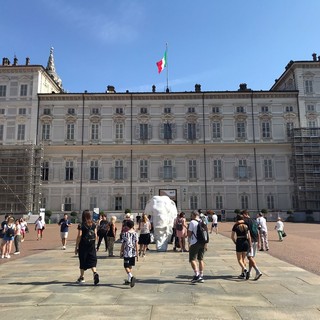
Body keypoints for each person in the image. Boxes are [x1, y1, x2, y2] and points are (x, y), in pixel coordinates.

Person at [75, 210, 99, 285]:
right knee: (92, 259)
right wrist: (95, 244)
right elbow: (95, 235)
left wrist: (76, 246)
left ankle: (82, 277)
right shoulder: (93, 224)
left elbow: (79, 235)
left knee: (83, 259)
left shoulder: (81, 224)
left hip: (83, 245)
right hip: (91, 244)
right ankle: (95, 273)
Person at [241, 210, 262, 280]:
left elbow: (248, 234)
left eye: (242, 216)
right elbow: (258, 232)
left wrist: (249, 245)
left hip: (250, 241)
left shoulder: (246, 222)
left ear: (245, 214)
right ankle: (249, 273)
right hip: (255, 241)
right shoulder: (255, 221)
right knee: (251, 257)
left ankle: (257, 271)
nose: (242, 218)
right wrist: (259, 242)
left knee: (249, 257)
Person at [187, 210, 207, 283]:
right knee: (200, 259)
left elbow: (189, 234)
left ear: (193, 215)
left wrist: (188, 240)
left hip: (195, 242)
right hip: (203, 242)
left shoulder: (192, 222)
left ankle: (197, 274)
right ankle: (201, 275)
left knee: (192, 259)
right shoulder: (203, 221)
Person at [231, 214, 251, 279]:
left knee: (239, 259)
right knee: (243, 259)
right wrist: (250, 244)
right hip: (246, 241)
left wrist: (235, 242)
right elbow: (249, 236)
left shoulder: (236, 225)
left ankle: (245, 269)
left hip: (239, 241)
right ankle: (243, 274)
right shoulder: (246, 225)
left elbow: (232, 236)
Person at [120, 219, 138, 288]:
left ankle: (131, 276)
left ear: (127, 226)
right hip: (133, 252)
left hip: (127, 252)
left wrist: (121, 251)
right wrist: (137, 253)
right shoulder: (135, 233)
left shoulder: (125, 234)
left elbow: (123, 244)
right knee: (130, 265)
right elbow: (136, 243)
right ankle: (129, 280)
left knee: (125, 266)